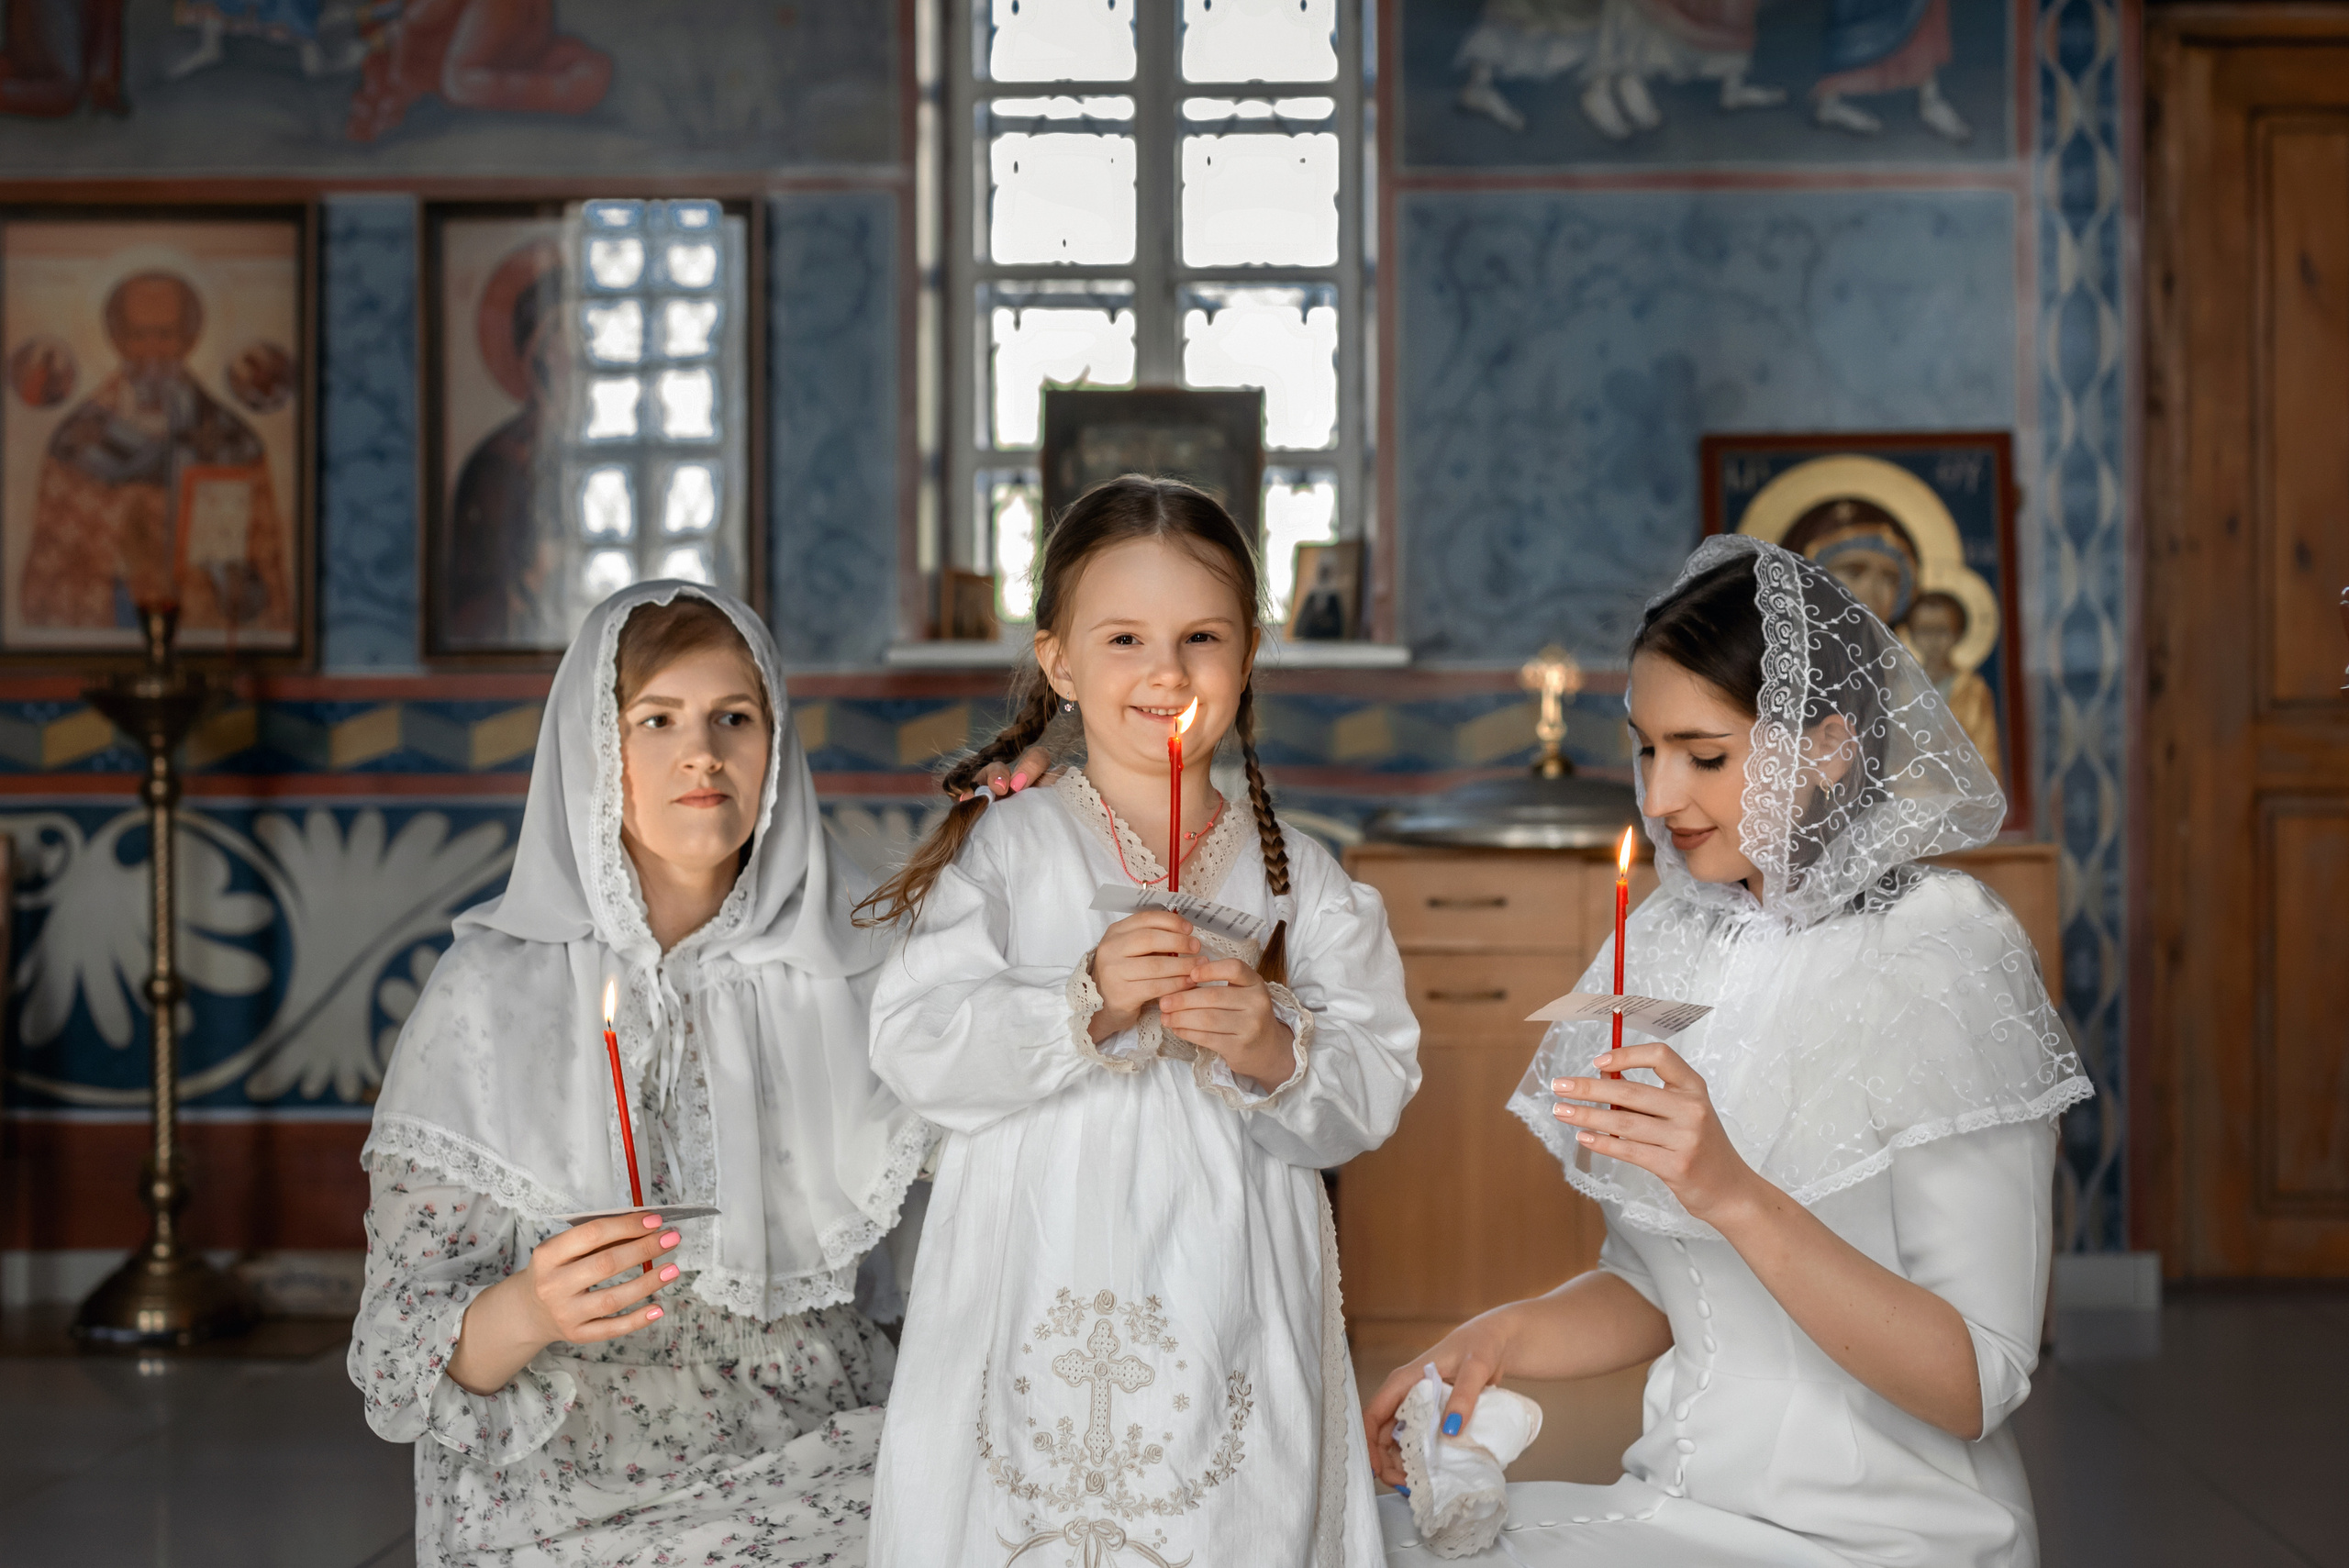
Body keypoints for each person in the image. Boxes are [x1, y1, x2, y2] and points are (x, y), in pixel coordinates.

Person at [1366, 534, 2090, 1567]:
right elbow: (1659, 1281)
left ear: (1829, 744)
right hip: (1681, 1498)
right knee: (1370, 1543)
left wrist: (1734, 1189)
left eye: (1703, 755)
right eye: (1646, 749)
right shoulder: (1669, 937)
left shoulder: (1943, 950)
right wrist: (1497, 1336)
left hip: (1890, 1534)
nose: (1658, 798)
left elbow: (1973, 1379)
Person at [860, 474, 1422, 1567]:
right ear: (1060, 662)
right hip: (1034, 1261)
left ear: (1248, 652)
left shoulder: (1297, 876)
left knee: (1220, 1507)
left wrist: (1272, 1044)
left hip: (1229, 1267)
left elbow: (1371, 1083)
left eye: (1200, 636)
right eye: (1124, 636)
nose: (1166, 671)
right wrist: (1082, 998)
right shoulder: (1010, 853)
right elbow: (916, 1043)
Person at [351, 581, 934, 1566]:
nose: (700, 750)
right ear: (593, 751)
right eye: (654, 719)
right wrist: (533, 1306)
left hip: (821, 1439)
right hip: (568, 1484)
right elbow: (398, 1347)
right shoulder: (490, 991)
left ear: (776, 748)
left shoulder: (857, 971)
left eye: (732, 718)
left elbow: (960, 1239)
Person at [19, 270, 292, 635]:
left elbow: (266, 587)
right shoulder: (77, 442)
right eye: (137, 334)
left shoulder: (233, 442)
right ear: (117, 339)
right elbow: (43, 587)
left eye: (165, 334)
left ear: (189, 338)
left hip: (197, 629)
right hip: (110, 619)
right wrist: (123, 533)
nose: (151, 350)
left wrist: (223, 576)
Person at [1906, 587, 2003, 784]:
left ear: (1958, 634)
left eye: (1942, 631)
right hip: (1910, 794)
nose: (1933, 641)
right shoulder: (1902, 687)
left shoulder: (1973, 689)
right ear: (1912, 634)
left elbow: (1986, 752)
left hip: (1959, 790)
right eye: (1925, 630)